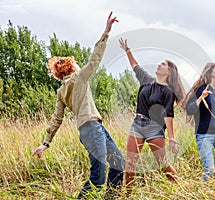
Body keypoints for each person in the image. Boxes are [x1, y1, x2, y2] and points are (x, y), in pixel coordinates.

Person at [31, 12, 125, 199]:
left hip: (91, 129)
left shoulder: (61, 92)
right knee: (98, 177)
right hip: (92, 129)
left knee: (118, 164)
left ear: (59, 74)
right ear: (71, 66)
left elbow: (57, 118)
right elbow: (95, 59)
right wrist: (106, 32)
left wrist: (45, 143)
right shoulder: (80, 77)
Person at [118, 38, 186, 193]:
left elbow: (169, 115)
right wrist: (127, 50)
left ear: (168, 72)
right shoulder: (146, 80)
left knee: (163, 164)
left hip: (154, 128)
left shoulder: (168, 91)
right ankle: (128, 195)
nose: (159, 65)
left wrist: (172, 138)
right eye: (160, 63)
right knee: (130, 163)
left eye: (163, 64)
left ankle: (182, 190)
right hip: (137, 124)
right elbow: (135, 66)